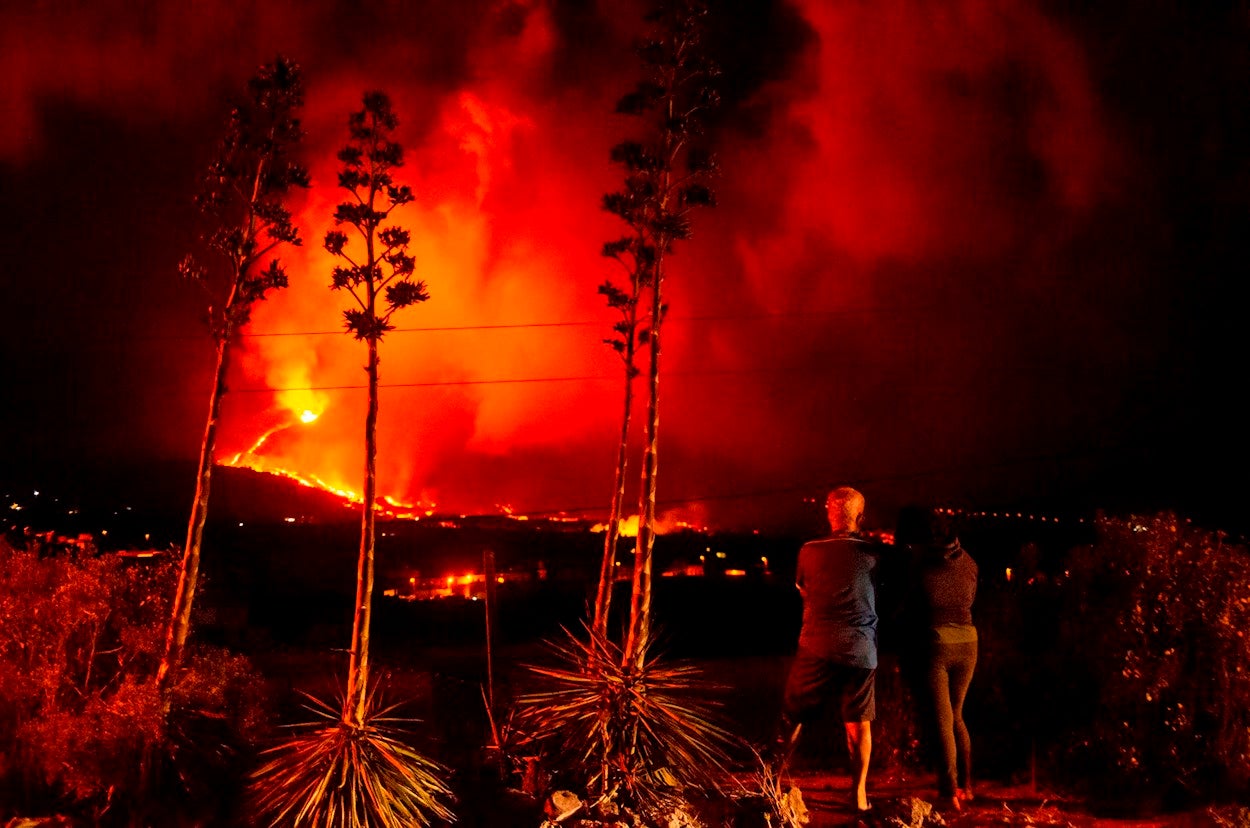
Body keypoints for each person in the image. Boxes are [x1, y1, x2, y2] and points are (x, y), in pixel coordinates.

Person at [773, 486, 882, 815]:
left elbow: (802, 590)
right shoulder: (875, 553)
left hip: (816, 644)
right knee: (859, 723)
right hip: (860, 648)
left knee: (792, 716)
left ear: (828, 514)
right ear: (860, 517)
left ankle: (774, 781)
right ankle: (859, 794)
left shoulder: (808, 550)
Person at [897, 505, 978, 812]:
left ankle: (948, 794)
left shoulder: (919, 564)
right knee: (957, 715)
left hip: (936, 642)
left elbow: (909, 605)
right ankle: (966, 787)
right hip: (969, 640)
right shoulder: (969, 561)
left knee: (941, 720)